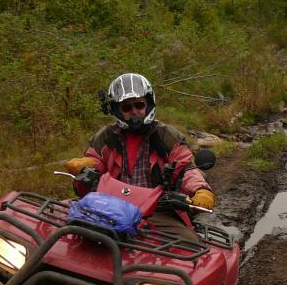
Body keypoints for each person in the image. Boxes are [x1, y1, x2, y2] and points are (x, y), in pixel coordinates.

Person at [65, 73, 214, 243]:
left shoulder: (167, 136)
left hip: (155, 211)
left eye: (139, 104)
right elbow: (95, 161)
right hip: (108, 207)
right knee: (62, 226)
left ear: (148, 104)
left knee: (190, 245)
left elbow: (186, 168)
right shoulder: (106, 136)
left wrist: (200, 189)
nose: (134, 111)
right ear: (117, 110)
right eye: (127, 108)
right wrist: (86, 166)